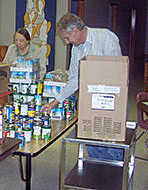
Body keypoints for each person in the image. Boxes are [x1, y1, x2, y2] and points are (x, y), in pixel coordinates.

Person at [41, 13, 123, 160]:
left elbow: (118, 74)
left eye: (67, 38)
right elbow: (74, 79)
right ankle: (97, 169)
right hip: (91, 100)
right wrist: (55, 102)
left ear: (75, 31)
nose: (66, 42)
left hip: (112, 100)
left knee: (112, 143)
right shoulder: (76, 48)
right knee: (91, 140)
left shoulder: (105, 38)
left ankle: (114, 175)